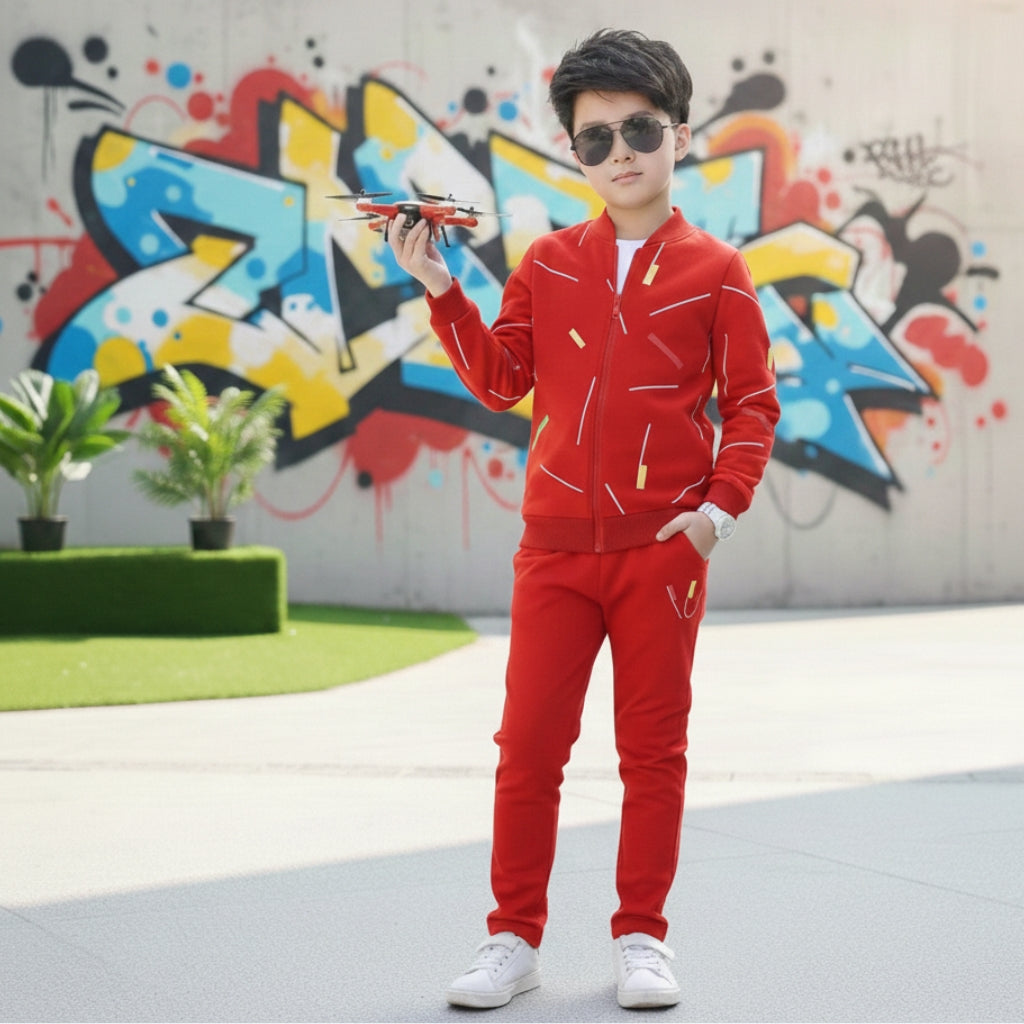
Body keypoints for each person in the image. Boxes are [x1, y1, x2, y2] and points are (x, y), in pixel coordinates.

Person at [389, 27, 779, 1011]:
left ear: (678, 134)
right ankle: (511, 939)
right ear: (575, 152)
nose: (619, 154)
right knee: (527, 751)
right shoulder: (548, 262)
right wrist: (442, 290)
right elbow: (501, 380)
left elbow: (752, 407)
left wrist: (714, 517)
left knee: (652, 755)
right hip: (554, 553)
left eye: (638, 129)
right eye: (595, 138)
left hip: (662, 554)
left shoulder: (718, 271)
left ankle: (643, 938)